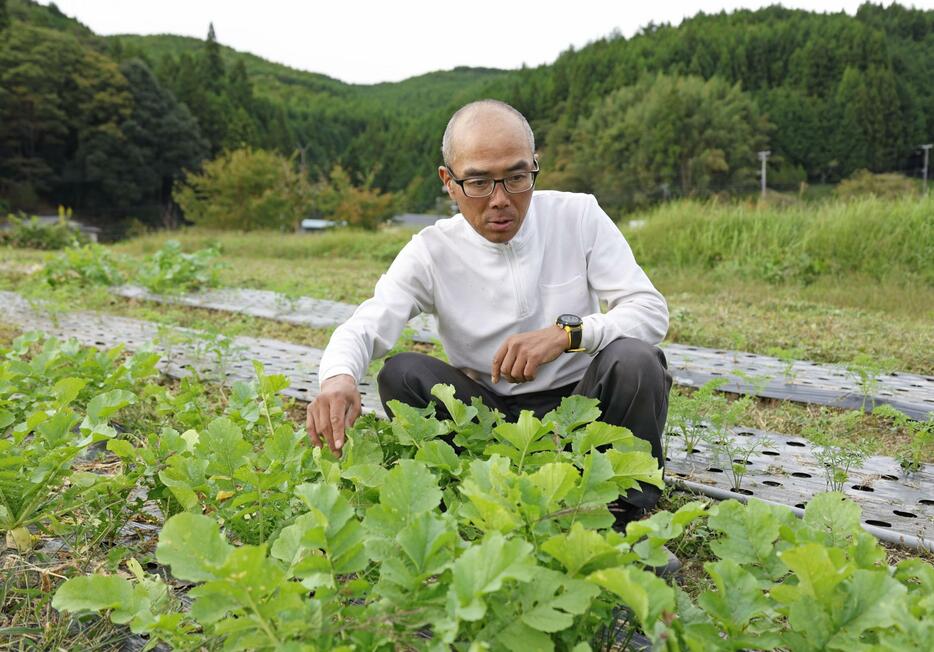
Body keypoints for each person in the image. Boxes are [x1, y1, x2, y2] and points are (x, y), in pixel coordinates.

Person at [307, 99, 671, 519]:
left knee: (636, 359)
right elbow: (365, 325)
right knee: (401, 373)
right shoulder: (432, 250)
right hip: (485, 417)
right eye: (478, 183)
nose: (500, 199)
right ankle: (467, 490)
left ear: (534, 166)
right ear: (449, 181)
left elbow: (649, 310)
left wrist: (567, 335)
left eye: (516, 177)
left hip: (582, 407)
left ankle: (624, 513)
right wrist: (337, 379)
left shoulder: (578, 216)